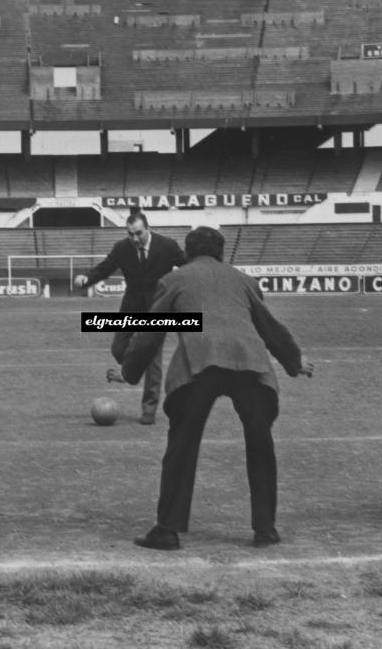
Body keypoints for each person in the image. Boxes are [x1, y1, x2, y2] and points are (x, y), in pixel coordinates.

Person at [113, 226, 313, 550]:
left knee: (182, 443)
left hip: (198, 363)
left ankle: (168, 530)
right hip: (249, 363)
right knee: (261, 443)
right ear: (222, 252)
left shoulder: (174, 280)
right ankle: (266, 529)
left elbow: (151, 331)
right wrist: (294, 362)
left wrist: (129, 371)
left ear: (188, 253)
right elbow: (269, 325)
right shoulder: (243, 279)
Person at [74, 212, 185, 424]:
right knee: (118, 348)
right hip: (131, 307)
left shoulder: (168, 245)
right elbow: (104, 269)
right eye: (130, 234)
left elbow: (188, 265)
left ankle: (149, 410)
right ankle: (132, 369)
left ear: (148, 229)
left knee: (153, 359)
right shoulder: (122, 248)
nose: (134, 238)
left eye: (139, 233)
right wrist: (86, 279)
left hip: (157, 309)